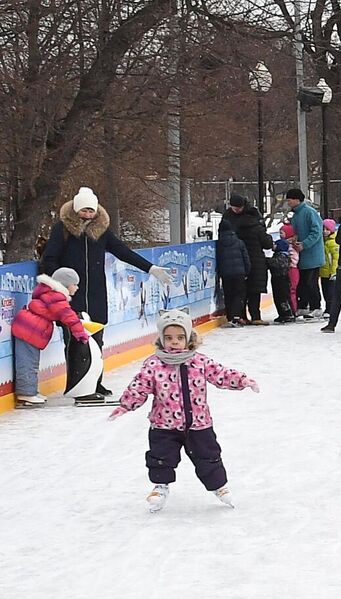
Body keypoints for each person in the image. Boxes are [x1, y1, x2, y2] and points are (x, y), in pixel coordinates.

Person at [108, 309, 258, 512]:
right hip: (163, 424)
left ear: (189, 337)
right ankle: (160, 487)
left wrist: (243, 380)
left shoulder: (199, 361)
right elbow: (139, 386)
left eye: (180, 337)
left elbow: (220, 374)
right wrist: (126, 405)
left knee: (208, 456)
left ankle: (219, 487)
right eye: (168, 338)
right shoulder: (154, 364)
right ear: (161, 339)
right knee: (160, 457)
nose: (174, 342)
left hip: (199, 423)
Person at [40, 185, 173, 402]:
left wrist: (151, 268)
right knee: (75, 341)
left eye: (91, 211)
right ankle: (78, 387)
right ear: (75, 210)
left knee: (96, 340)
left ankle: (95, 381)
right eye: (84, 211)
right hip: (71, 296)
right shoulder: (62, 229)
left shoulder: (101, 231)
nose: (88, 215)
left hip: (96, 295)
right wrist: (61, 282)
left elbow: (123, 252)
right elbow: (50, 259)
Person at [10, 267, 90, 408]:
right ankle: (26, 395)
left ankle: (30, 391)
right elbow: (68, 316)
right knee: (28, 362)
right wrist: (80, 332)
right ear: (66, 284)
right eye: (75, 284)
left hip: (30, 328)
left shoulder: (51, 293)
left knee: (31, 361)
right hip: (29, 329)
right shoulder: (56, 296)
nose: (77, 288)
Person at [215, 193, 268, 328]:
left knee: (247, 289)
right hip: (250, 257)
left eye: (238, 207)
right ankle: (250, 315)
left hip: (248, 257)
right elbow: (266, 241)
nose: (236, 210)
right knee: (249, 289)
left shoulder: (232, 219)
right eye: (234, 207)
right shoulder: (255, 222)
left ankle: (246, 316)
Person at [285, 188, 325, 319]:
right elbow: (298, 232)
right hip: (301, 255)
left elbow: (316, 232)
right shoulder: (296, 215)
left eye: (289, 199)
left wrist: (304, 244)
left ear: (297, 199)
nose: (288, 202)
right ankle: (303, 306)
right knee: (302, 282)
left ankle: (316, 306)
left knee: (311, 282)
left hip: (312, 254)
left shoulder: (310, 212)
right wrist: (294, 239)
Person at [270, 223, 297, 322]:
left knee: (282, 298)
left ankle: (287, 314)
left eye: (275, 245)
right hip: (278, 280)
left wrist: (267, 261)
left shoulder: (282, 256)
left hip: (281, 281)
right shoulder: (280, 255)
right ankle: (283, 314)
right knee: (279, 298)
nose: (273, 246)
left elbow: (276, 264)